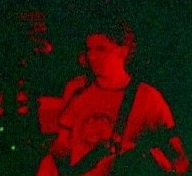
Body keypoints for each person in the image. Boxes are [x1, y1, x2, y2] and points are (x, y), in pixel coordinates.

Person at [36, 19, 188, 175]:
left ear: (123, 51)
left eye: (101, 49)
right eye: (89, 49)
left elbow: (178, 155)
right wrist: (49, 162)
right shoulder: (76, 89)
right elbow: (63, 144)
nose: (92, 57)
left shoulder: (147, 97)